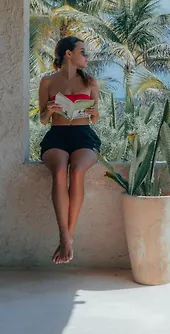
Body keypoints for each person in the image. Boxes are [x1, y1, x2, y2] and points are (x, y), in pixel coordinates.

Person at [38, 36, 101, 264]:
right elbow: (43, 119)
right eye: (82, 51)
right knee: (59, 170)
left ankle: (67, 237)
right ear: (68, 54)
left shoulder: (90, 81)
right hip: (57, 135)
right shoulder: (47, 82)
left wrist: (92, 112)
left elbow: (96, 117)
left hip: (84, 136)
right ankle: (64, 235)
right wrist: (50, 109)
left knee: (76, 170)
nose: (86, 56)